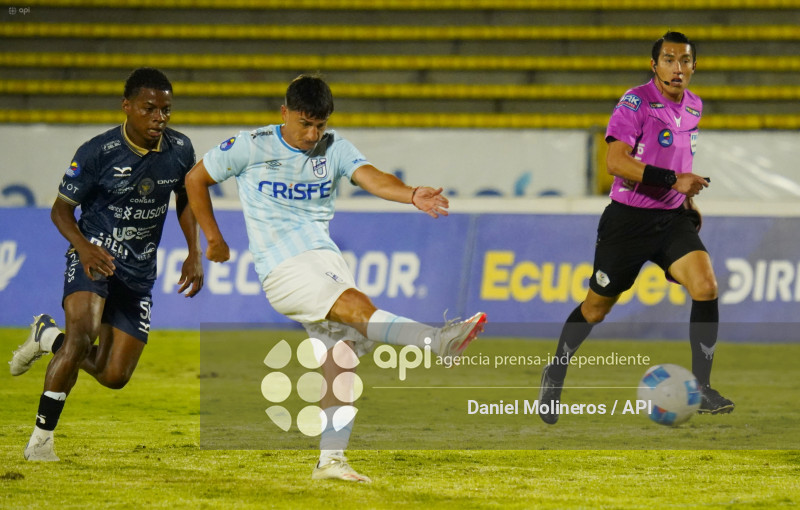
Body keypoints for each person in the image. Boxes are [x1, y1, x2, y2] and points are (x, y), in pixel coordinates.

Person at [185, 74, 487, 483]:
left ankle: (330, 462)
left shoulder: (334, 148)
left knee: (340, 359)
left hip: (323, 258)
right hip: (282, 267)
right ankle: (436, 341)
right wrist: (214, 239)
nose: (312, 134)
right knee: (358, 307)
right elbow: (195, 179)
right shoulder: (250, 145)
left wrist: (411, 194)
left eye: (320, 126)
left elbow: (373, 177)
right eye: (305, 124)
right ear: (284, 113)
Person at [537, 32, 734, 425]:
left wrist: (687, 199)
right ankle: (555, 372)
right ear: (654, 65)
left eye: (685, 60)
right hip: (627, 221)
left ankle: (703, 387)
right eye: (669, 60)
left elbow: (677, 156)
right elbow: (615, 162)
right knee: (595, 310)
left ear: (695, 66)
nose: (677, 68)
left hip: (672, 218)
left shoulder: (694, 106)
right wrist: (674, 180)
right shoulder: (635, 102)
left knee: (706, 286)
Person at [9, 68, 204, 460]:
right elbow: (61, 210)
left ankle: (47, 337)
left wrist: (193, 251)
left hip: (139, 271)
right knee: (82, 337)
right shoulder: (97, 152)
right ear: (127, 106)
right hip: (95, 256)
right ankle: (41, 442)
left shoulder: (181, 149)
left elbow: (186, 198)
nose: (159, 118)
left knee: (114, 376)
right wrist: (82, 246)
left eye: (166, 110)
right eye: (150, 109)